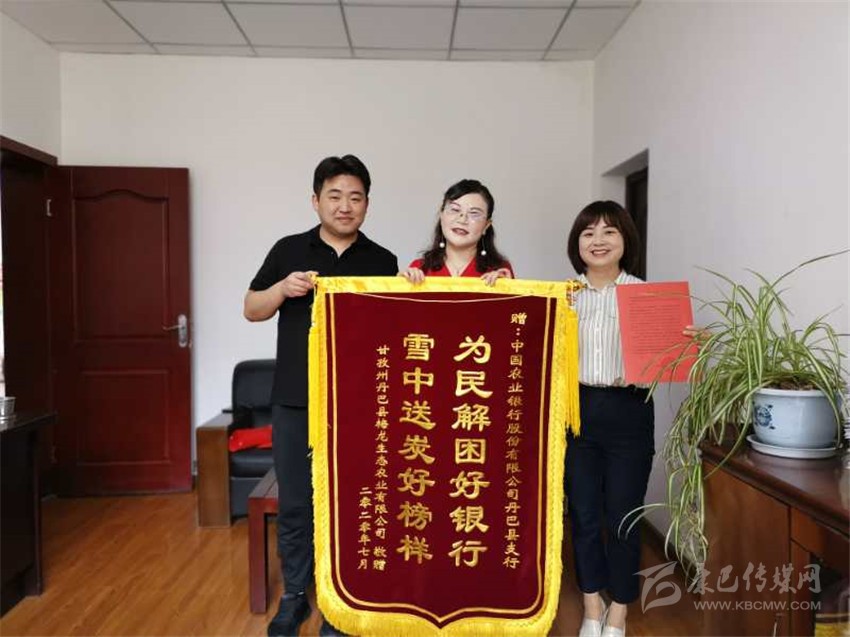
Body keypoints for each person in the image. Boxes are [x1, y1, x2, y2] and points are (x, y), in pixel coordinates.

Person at [244, 155, 398, 637]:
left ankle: (340, 603)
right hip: (295, 399)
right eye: (335, 196)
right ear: (316, 201)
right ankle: (294, 596)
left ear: (367, 204)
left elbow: (396, 330)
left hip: (358, 406)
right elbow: (251, 308)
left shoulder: (383, 261)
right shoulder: (288, 249)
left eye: (355, 197)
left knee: (351, 504)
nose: (345, 206)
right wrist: (281, 289)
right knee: (295, 503)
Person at [564, 200, 653, 637]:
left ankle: (619, 609)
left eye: (609, 231)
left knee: (623, 516)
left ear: (625, 240)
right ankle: (591, 603)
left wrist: (688, 343)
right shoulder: (564, 296)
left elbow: (667, 360)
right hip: (576, 411)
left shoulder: (648, 296)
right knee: (582, 515)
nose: (598, 240)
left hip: (629, 411)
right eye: (588, 233)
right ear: (577, 243)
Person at [399, 179, 513, 285]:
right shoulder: (420, 269)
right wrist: (399, 285)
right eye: (455, 210)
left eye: (474, 213)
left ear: (486, 225)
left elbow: (514, 301)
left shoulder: (500, 272)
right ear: (441, 215)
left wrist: (506, 288)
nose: (462, 220)